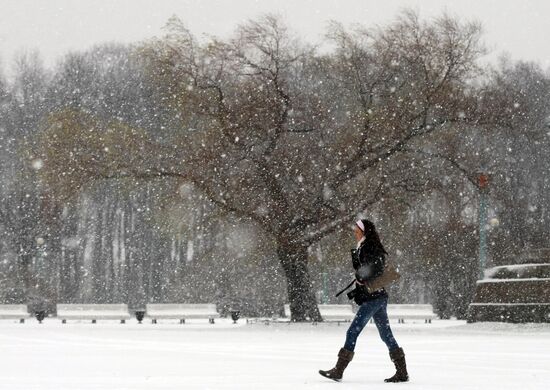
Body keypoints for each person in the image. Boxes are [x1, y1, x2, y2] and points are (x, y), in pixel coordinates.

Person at [318, 218, 409, 383]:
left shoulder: (369, 247)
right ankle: (402, 372)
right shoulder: (367, 246)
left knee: (353, 331)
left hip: (373, 298)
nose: (355, 231)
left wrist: (361, 276)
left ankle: (338, 370)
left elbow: (375, 267)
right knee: (385, 334)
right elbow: (372, 266)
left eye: (357, 229)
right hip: (378, 296)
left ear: (364, 231)